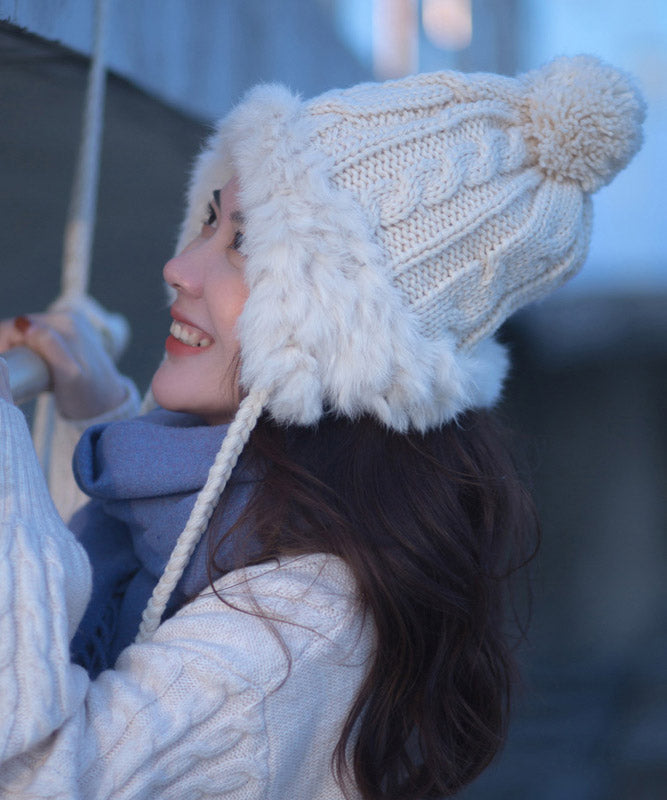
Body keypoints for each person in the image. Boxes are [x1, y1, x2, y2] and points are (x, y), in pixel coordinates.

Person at [0, 55, 644, 799]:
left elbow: (38, 773)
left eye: (245, 245)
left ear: (340, 332)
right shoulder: (242, 524)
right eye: (209, 221)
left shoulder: (304, 627)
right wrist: (103, 412)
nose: (179, 265)